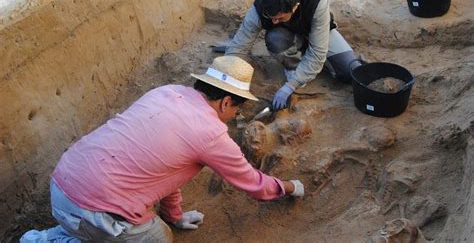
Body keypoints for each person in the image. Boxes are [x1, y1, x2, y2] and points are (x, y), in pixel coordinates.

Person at [20, 56, 304, 243]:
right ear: (226, 102)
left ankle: (58, 234)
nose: (236, 116)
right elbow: (255, 185)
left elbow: (166, 168)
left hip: (61, 184)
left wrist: (175, 213)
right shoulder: (212, 134)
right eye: (238, 109)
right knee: (160, 238)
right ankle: (57, 239)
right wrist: (291, 187)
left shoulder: (165, 92)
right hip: (95, 211)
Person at [225, 0, 363, 110]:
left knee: (349, 72)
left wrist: (290, 86)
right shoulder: (260, 7)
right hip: (286, 36)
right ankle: (293, 65)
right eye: (270, 17)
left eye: (280, 17)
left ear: (295, 7)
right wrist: (224, 76)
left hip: (318, 33)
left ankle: (306, 63)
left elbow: (318, 52)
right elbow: (239, 45)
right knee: (275, 39)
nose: (274, 22)